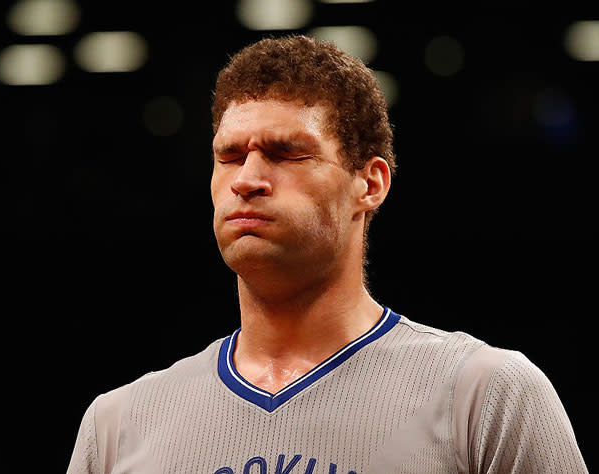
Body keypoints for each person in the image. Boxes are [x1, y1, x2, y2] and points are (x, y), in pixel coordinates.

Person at [66, 35, 588, 474]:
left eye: (286, 152)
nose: (246, 180)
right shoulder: (118, 425)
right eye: (228, 156)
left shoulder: (487, 398)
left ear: (370, 182)